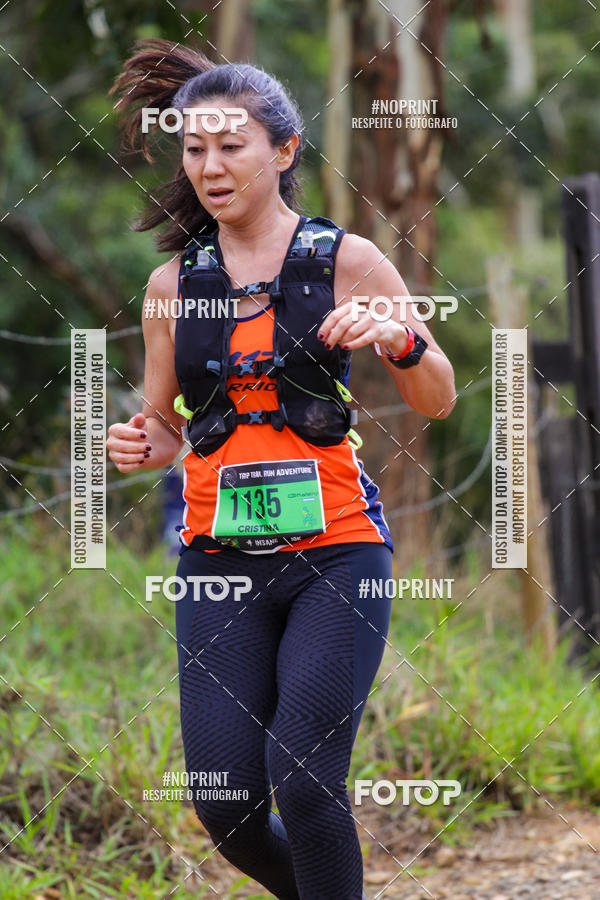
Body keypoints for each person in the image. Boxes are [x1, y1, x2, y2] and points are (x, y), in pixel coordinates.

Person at [107, 38, 455, 900]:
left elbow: (438, 396)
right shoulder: (171, 288)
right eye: (194, 149)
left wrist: (400, 339)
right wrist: (144, 442)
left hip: (337, 553)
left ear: (284, 152)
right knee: (223, 802)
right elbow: (164, 425)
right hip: (219, 562)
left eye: (232, 146)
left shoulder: (347, 262)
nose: (210, 166)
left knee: (304, 779)